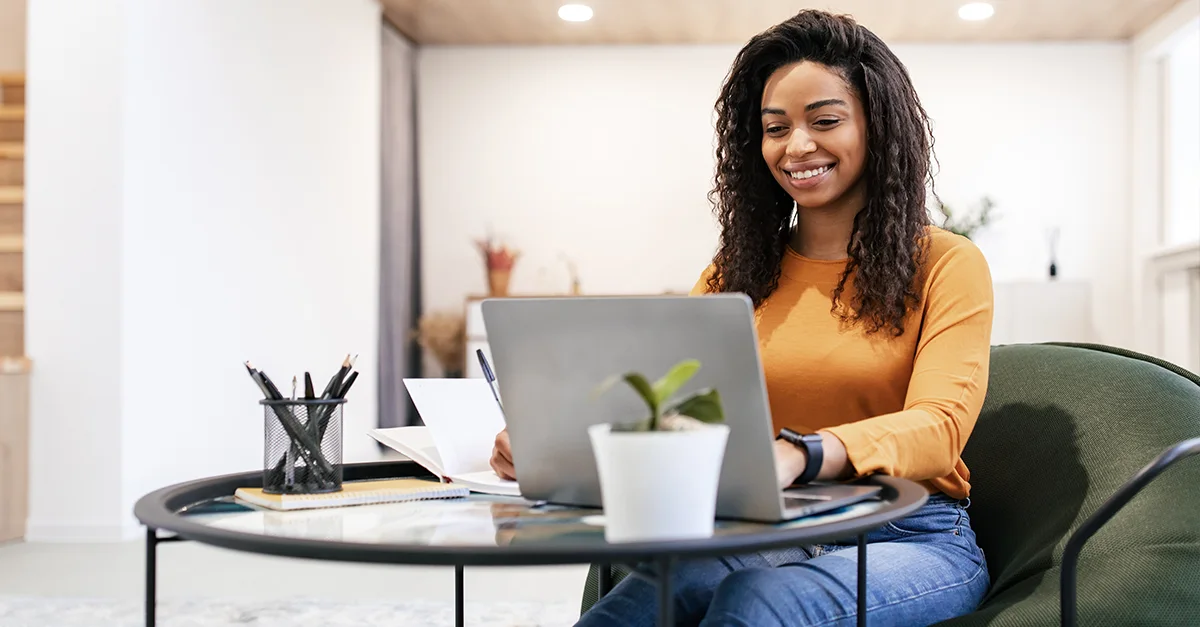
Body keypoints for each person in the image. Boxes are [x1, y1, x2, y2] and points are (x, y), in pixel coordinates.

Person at [490, 9, 993, 626]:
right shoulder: (740, 270)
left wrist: (804, 454)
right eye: (775, 127)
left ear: (878, 127)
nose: (797, 145)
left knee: (755, 605)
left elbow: (939, 427)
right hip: (765, 527)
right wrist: (559, 442)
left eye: (826, 120)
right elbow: (672, 404)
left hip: (907, 534)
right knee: (621, 618)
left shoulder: (946, 263)